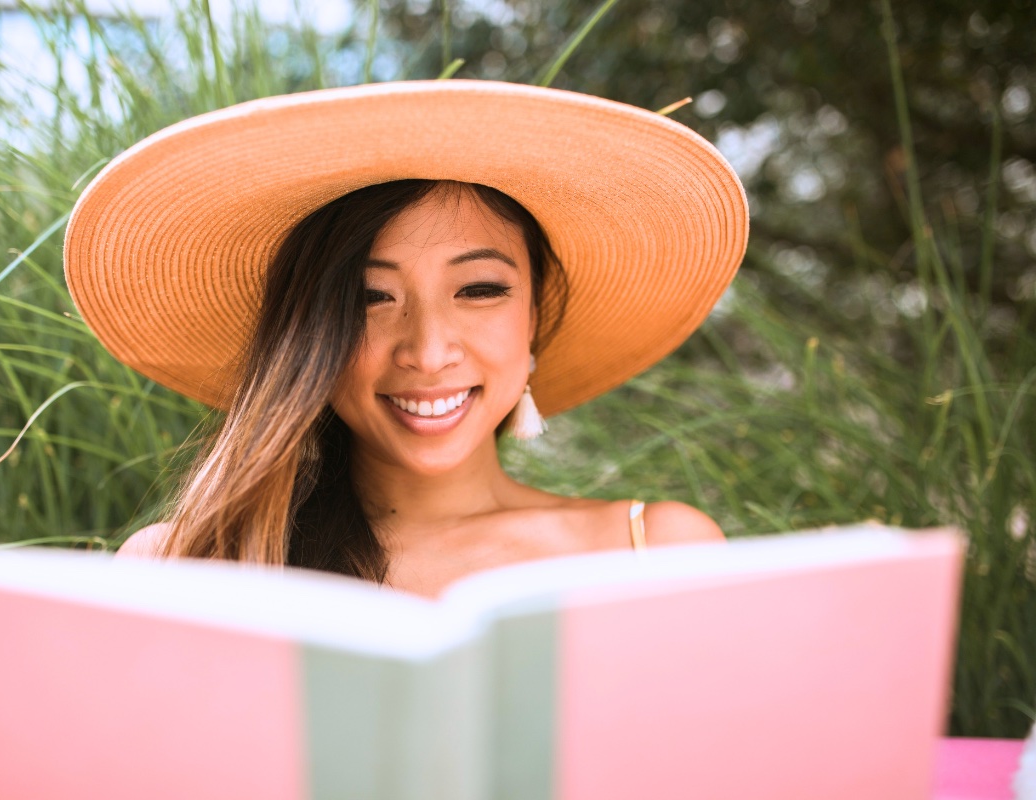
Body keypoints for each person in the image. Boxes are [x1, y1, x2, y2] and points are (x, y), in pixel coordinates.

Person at [63, 80, 749, 598]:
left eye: (479, 289)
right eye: (369, 298)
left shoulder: (657, 552)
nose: (427, 352)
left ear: (535, 316)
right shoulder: (186, 566)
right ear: (309, 340)